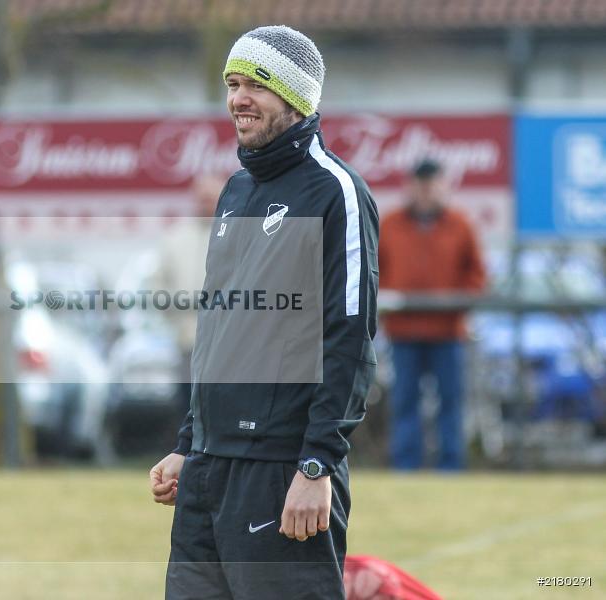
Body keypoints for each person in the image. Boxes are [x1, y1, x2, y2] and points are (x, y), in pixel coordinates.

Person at [149, 26, 379, 600]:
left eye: (257, 84)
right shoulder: (235, 190)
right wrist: (191, 440)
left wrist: (316, 466)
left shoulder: (336, 192)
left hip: (283, 468)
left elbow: (347, 337)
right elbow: (219, 327)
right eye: (232, 84)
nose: (239, 99)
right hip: (209, 469)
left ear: (298, 96)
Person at [378, 159, 486, 470]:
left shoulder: (461, 224)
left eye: (432, 186)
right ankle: (405, 465)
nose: (426, 194)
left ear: (444, 187)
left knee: (450, 402)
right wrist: (389, 300)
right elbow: (376, 270)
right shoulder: (390, 224)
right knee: (404, 402)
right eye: (420, 186)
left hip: (448, 331)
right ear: (409, 187)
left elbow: (477, 274)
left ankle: (451, 466)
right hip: (403, 332)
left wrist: (458, 301)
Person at [154, 174, 226, 418]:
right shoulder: (176, 238)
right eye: (201, 199)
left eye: (210, 199)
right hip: (188, 340)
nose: (205, 204)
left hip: (228, 340)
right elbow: (157, 284)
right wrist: (172, 312)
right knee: (189, 405)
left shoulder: (238, 234)